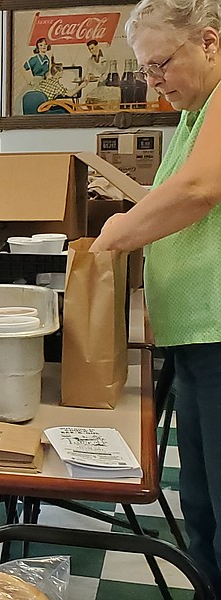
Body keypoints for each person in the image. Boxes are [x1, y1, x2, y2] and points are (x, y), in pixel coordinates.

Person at [91, 0, 221, 590]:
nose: (153, 81)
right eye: (145, 69)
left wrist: (114, 235)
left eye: (161, 64)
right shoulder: (194, 117)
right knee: (202, 507)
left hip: (218, 336)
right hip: (196, 336)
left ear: (209, 43)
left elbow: (197, 189)